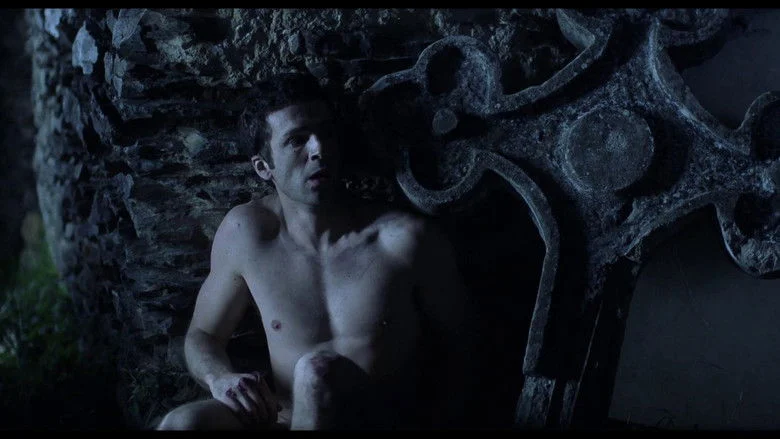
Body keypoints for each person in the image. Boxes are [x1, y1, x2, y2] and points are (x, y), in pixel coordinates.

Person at [156, 72, 474, 430]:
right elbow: (203, 335)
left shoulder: (403, 239)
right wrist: (220, 379)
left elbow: (463, 350)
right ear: (264, 167)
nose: (318, 150)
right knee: (181, 423)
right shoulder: (245, 233)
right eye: (297, 140)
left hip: (377, 422)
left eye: (326, 134)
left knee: (316, 373)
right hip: (287, 420)